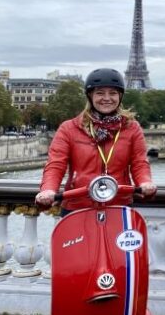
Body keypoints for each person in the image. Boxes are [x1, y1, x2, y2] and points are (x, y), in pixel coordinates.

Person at [35, 68, 156, 212]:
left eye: (113, 93)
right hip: (77, 206)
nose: (107, 98)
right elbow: (56, 164)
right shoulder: (69, 128)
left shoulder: (132, 128)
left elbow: (139, 162)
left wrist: (145, 182)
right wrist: (48, 189)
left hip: (118, 205)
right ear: (90, 96)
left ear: (120, 96)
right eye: (100, 93)